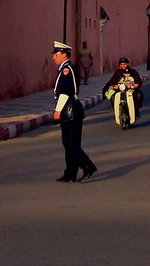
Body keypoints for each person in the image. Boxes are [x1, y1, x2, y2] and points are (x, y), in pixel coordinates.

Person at [51, 41, 96, 183]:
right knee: (70, 143)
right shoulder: (67, 68)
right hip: (72, 108)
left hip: (69, 109)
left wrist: (57, 111)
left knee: (70, 144)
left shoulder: (67, 69)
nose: (54, 57)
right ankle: (70, 173)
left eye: (56, 54)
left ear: (64, 54)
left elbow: (65, 92)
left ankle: (88, 166)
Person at [103, 56, 144, 121]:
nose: (123, 66)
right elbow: (112, 82)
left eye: (124, 64)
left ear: (127, 64)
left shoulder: (133, 72)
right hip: (120, 91)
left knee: (139, 95)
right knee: (113, 98)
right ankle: (117, 112)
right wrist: (111, 87)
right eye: (121, 64)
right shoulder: (117, 73)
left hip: (131, 90)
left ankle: (136, 111)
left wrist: (135, 85)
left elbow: (138, 81)